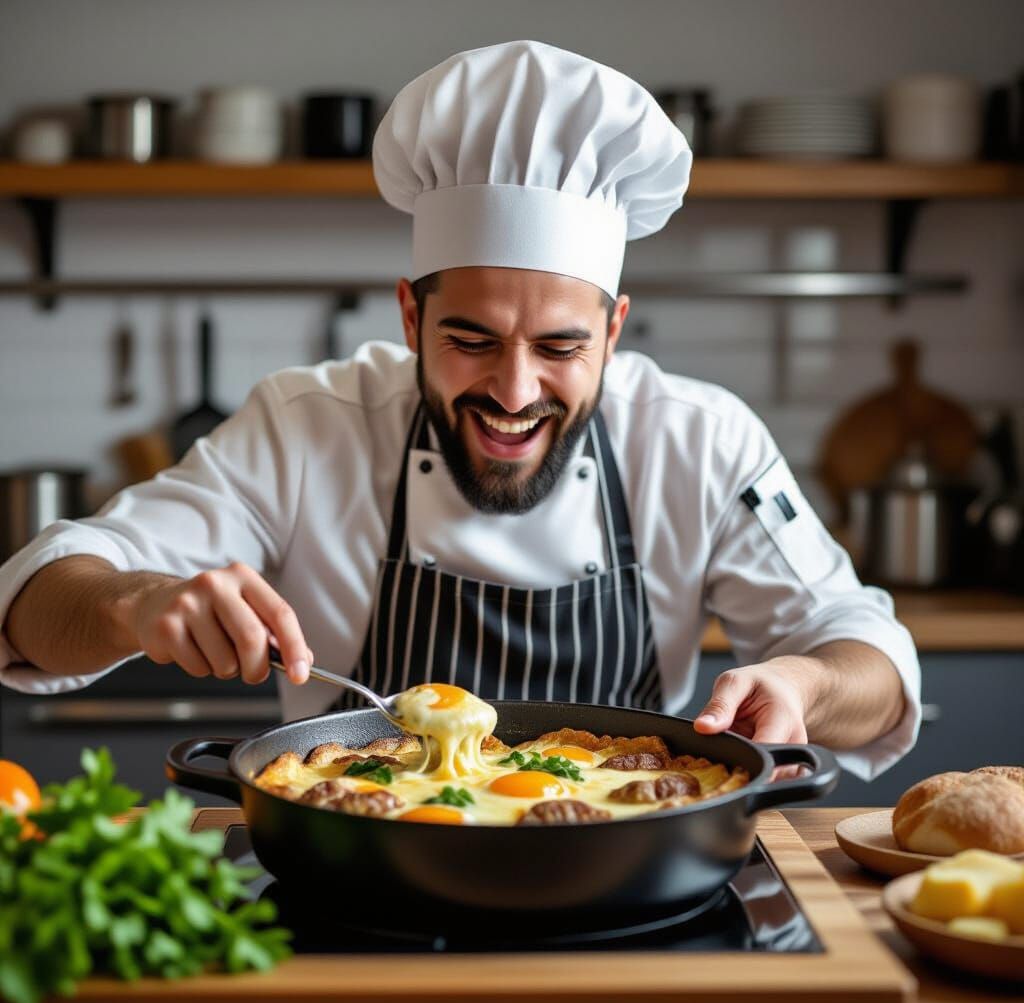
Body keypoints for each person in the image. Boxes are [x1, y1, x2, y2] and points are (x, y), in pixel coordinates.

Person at [0, 41, 919, 781]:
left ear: (615, 330)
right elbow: (35, 606)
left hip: (627, 876)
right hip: (357, 875)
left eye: (560, 348)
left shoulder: (700, 440)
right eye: (470, 340)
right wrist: (137, 599)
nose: (514, 394)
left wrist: (802, 679)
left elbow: (870, 657)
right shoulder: (306, 425)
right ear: (410, 313)